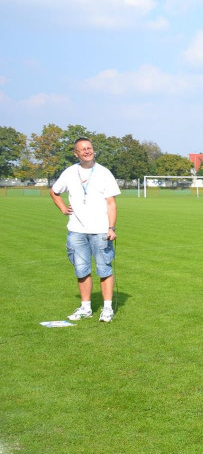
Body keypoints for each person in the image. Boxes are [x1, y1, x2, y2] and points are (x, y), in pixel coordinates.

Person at [49, 137, 120, 323]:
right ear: (76, 153)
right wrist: (63, 208)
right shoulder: (70, 173)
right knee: (81, 270)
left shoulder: (104, 173)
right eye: (83, 149)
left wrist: (111, 227)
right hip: (76, 231)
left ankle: (106, 309)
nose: (87, 151)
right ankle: (86, 308)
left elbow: (111, 204)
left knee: (104, 269)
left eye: (89, 148)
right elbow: (54, 191)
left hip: (101, 231)